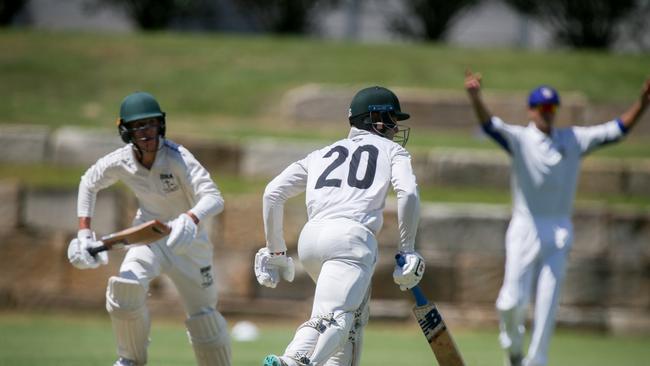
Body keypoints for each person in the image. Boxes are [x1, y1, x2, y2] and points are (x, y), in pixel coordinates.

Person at [464, 70, 650, 366]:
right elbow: (489, 125)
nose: (547, 113)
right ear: (531, 110)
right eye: (542, 108)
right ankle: (512, 348)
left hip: (558, 230)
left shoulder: (573, 139)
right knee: (511, 302)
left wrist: (642, 103)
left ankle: (537, 361)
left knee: (547, 305)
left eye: (552, 108)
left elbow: (616, 130)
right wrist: (475, 97)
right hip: (525, 227)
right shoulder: (520, 139)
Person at [254, 86, 426, 366]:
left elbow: (273, 193)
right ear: (377, 120)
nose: (396, 129)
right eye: (393, 120)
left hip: (310, 240)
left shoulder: (321, 153)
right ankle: (292, 362)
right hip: (350, 240)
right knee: (334, 317)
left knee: (352, 324)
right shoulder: (392, 151)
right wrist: (407, 250)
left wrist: (275, 253)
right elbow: (408, 193)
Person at [66, 92, 231, 366]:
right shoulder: (120, 161)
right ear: (126, 131)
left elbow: (214, 198)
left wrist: (190, 218)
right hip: (148, 239)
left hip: (189, 244)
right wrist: (84, 232)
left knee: (205, 319)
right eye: (139, 126)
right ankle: (130, 360)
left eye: (152, 124)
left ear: (161, 125)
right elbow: (89, 182)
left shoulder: (178, 157)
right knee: (125, 289)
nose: (147, 132)